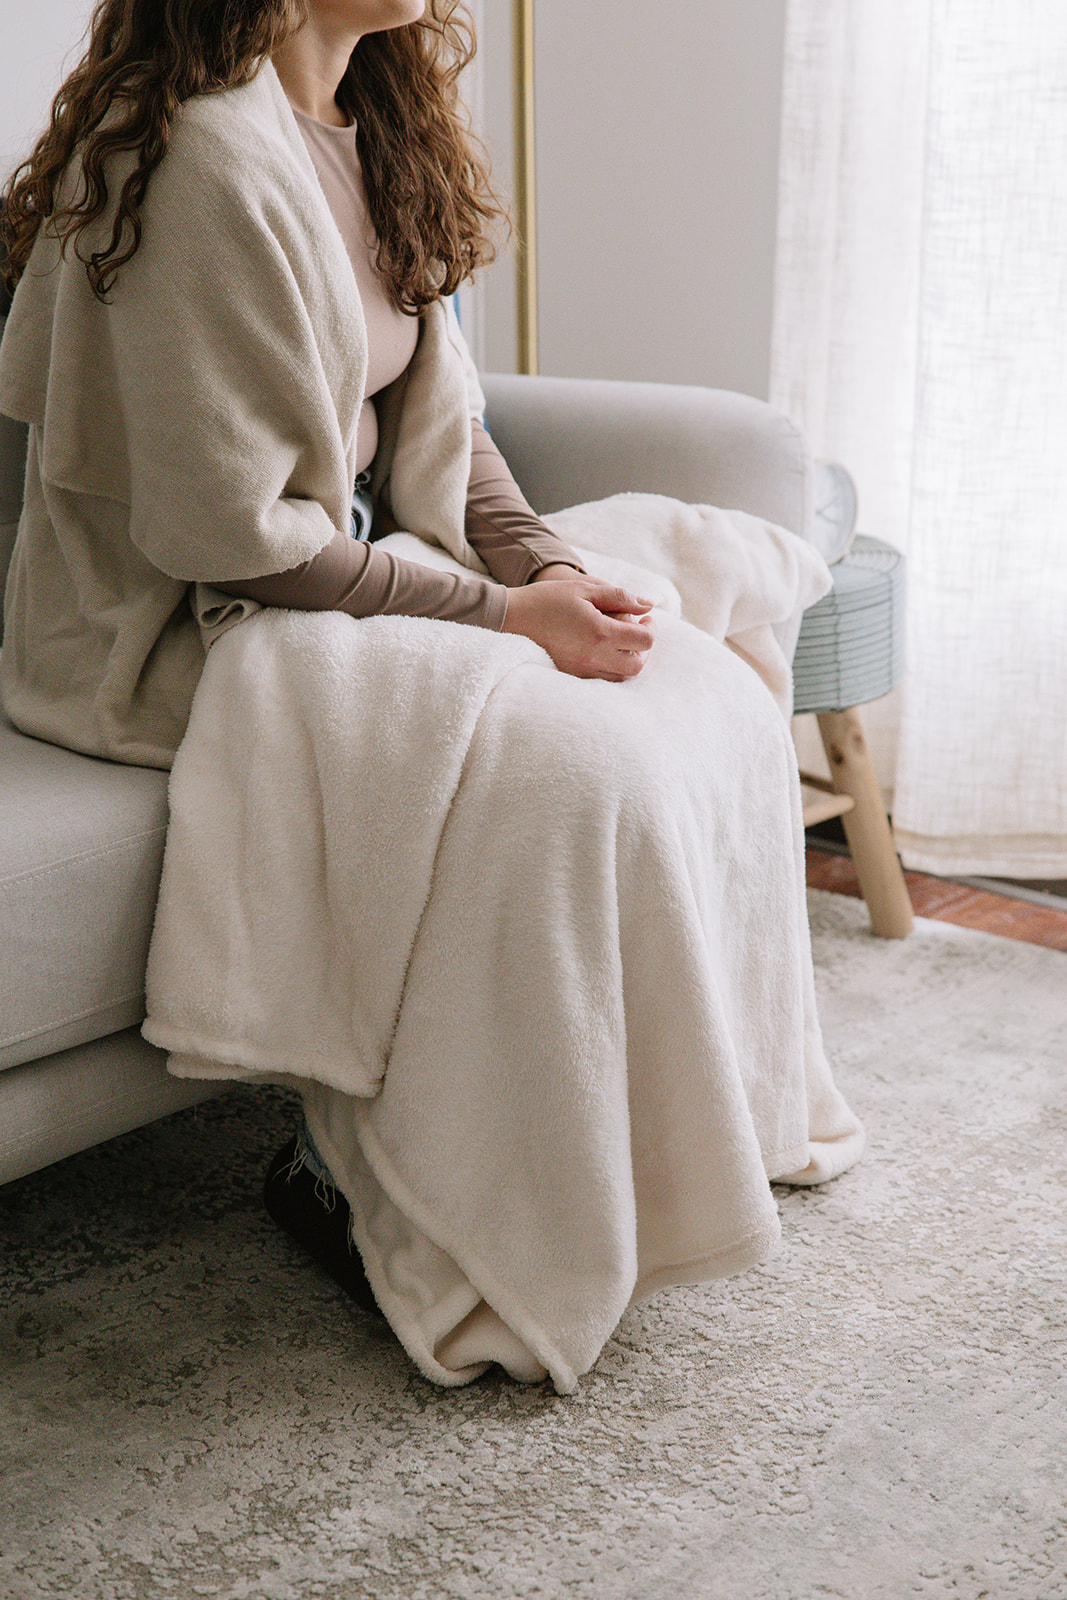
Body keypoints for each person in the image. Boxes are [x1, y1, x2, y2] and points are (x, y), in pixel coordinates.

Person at [1, 0, 863, 1390]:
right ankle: (394, 1197)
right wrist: (504, 615)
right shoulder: (196, 164)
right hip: (197, 626)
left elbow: (444, 432)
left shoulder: (366, 121)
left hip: (345, 564)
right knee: (571, 779)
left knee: (698, 687)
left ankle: (681, 1150)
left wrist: (552, 568)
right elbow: (233, 544)